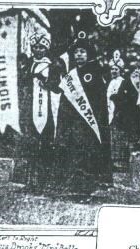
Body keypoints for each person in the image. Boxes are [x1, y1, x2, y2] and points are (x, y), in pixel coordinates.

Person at [55, 36, 113, 194]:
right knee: (75, 154)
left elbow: (99, 100)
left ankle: (87, 188)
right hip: (74, 122)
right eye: (76, 52)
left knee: (88, 155)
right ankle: (75, 187)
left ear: (88, 54)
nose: (79, 55)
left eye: (83, 51)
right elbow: (65, 101)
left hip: (89, 123)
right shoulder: (70, 76)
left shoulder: (94, 74)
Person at [13, 32, 62, 190]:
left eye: (42, 47)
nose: (38, 50)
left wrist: (45, 81)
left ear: (46, 49)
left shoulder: (52, 65)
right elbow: (21, 83)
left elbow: (56, 86)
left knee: (46, 145)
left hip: (46, 109)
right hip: (30, 109)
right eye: (36, 47)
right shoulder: (28, 65)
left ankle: (45, 181)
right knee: (31, 144)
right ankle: (30, 181)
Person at [107, 50, 139, 171]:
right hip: (109, 113)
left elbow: (132, 97)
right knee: (112, 138)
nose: (113, 71)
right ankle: (112, 161)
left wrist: (119, 101)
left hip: (120, 115)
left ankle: (121, 163)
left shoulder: (125, 83)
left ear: (120, 70)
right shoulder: (109, 83)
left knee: (120, 137)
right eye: (112, 69)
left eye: (116, 69)